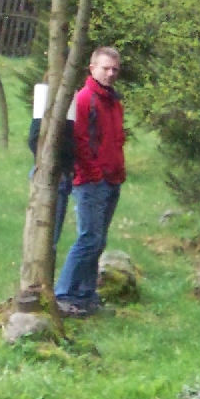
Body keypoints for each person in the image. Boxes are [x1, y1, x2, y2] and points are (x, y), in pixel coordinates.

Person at [54, 46, 125, 318]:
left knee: (98, 240)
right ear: (92, 68)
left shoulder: (113, 101)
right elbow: (80, 141)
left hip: (111, 179)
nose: (110, 73)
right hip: (91, 181)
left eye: (115, 69)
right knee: (88, 238)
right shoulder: (85, 99)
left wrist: (118, 172)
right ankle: (64, 294)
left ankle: (86, 294)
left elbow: (115, 140)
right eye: (106, 68)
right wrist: (93, 173)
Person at [28, 109, 76, 252]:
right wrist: (56, 165)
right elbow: (35, 139)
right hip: (53, 172)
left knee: (53, 229)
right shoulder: (47, 100)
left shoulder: (72, 101)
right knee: (46, 230)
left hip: (65, 172)